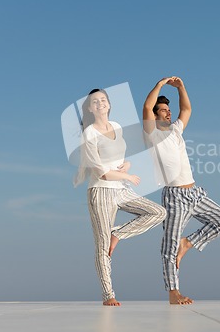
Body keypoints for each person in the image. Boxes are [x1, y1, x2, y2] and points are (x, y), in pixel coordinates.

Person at [143, 76, 220, 305]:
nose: (168, 113)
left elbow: (187, 108)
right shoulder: (151, 134)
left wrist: (181, 87)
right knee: (169, 246)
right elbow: (146, 106)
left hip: (195, 193)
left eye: (167, 109)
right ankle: (173, 292)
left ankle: (188, 243)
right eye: (162, 110)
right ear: (154, 115)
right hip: (174, 197)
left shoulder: (175, 131)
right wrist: (160, 85)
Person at [74, 88, 166, 306]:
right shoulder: (89, 133)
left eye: (103, 100)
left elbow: (120, 158)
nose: (100, 104)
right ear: (89, 107)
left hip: (121, 188)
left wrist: (127, 166)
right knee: (102, 245)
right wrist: (127, 175)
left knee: (158, 212)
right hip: (101, 190)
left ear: (109, 104)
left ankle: (118, 234)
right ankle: (108, 295)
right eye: (95, 102)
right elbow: (100, 171)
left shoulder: (116, 126)